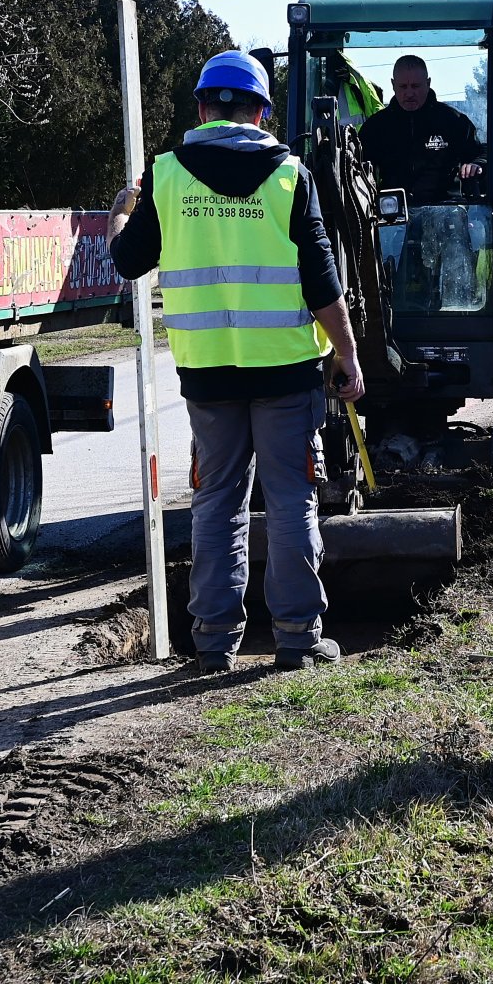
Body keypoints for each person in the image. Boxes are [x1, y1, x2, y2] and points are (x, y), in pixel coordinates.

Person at [109, 50, 366, 674]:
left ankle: (213, 643)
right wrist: (347, 356)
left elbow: (127, 260)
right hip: (284, 374)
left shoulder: (166, 175)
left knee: (217, 503)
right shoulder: (289, 175)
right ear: (262, 113)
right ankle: (299, 639)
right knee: (289, 501)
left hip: (208, 379)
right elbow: (321, 279)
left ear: (202, 107)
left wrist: (123, 209)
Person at [357, 55, 483, 204]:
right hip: (394, 215)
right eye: (403, 86)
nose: (409, 93)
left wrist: (477, 164)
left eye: (415, 86)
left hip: (446, 212)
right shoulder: (376, 127)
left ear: (428, 83)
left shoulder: (452, 121)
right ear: (393, 84)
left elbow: (481, 152)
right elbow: (357, 168)